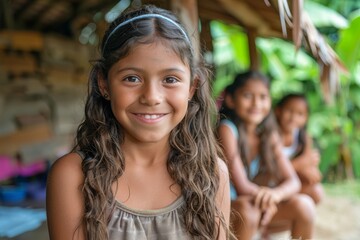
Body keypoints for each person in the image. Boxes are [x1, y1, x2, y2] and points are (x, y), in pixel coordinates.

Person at [46, 5, 231, 240]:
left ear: (192, 88)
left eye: (170, 79)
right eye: (131, 78)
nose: (152, 97)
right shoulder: (74, 176)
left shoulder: (211, 174)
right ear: (104, 84)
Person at [217, 71, 316, 240]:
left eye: (263, 97)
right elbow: (241, 186)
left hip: (254, 204)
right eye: (247, 96)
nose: (256, 103)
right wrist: (266, 200)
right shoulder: (227, 129)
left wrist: (275, 195)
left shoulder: (267, 134)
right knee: (249, 211)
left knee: (305, 205)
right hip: (224, 209)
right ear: (231, 100)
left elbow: (293, 181)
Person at [275, 93, 324, 204]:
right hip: (273, 182)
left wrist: (306, 168)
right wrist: (301, 164)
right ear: (278, 111)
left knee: (316, 190)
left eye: (300, 114)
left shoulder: (304, 137)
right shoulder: (273, 136)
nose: (293, 117)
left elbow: (312, 170)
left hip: (291, 182)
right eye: (289, 111)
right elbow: (273, 172)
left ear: (306, 118)